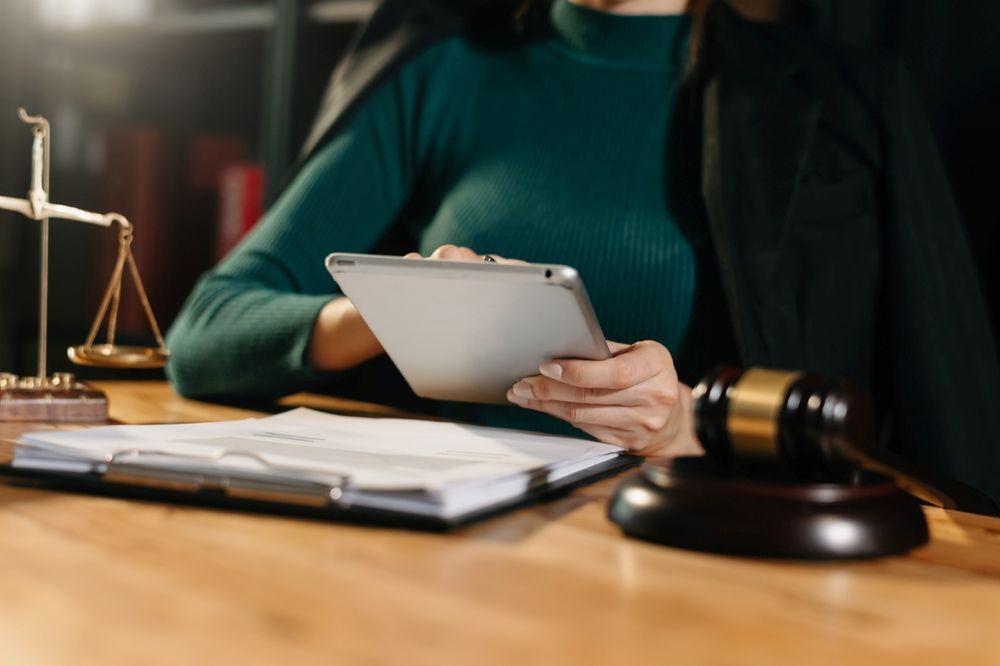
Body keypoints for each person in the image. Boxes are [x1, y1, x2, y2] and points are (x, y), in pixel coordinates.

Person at [166, 0, 1000, 506]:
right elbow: (203, 335)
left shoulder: (845, 101)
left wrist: (686, 424)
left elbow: (926, 435)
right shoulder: (440, 70)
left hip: (698, 563)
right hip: (434, 550)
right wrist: (388, 310)